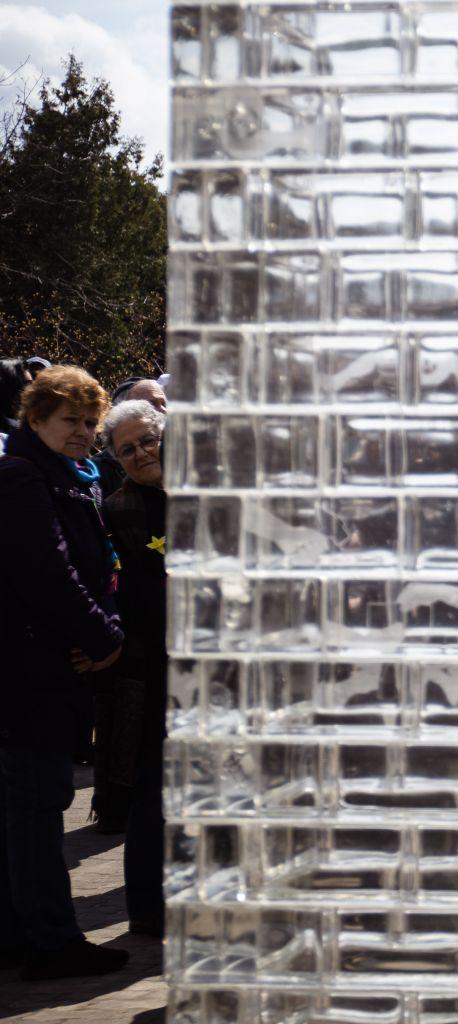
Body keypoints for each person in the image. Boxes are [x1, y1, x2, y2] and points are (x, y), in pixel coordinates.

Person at [0, 365, 129, 979]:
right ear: (35, 420)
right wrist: (104, 636)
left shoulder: (72, 479)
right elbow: (49, 574)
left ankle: (27, 935)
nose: (82, 432)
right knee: (36, 808)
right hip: (30, 673)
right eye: (69, 420)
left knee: (31, 805)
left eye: (89, 421)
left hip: (51, 667)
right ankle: (50, 941)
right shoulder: (24, 480)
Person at [100, 398, 168, 931]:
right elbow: (122, 590)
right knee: (152, 788)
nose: (142, 453)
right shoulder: (118, 507)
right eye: (127, 450)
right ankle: (147, 912)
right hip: (152, 667)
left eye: (148, 440)